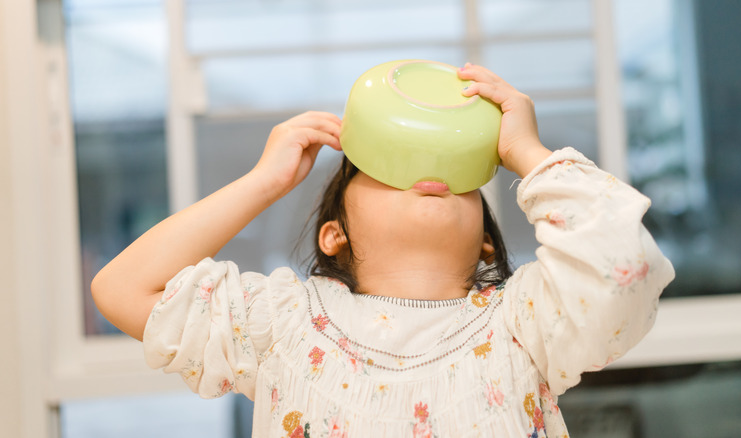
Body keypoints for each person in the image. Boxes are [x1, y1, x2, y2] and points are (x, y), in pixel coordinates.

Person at [92, 63, 675, 437]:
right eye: (386, 167)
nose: (423, 169)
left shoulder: (527, 322)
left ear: (488, 245)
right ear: (334, 233)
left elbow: (624, 267)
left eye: (455, 173)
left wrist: (527, 150)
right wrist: (265, 181)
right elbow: (121, 289)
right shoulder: (285, 325)